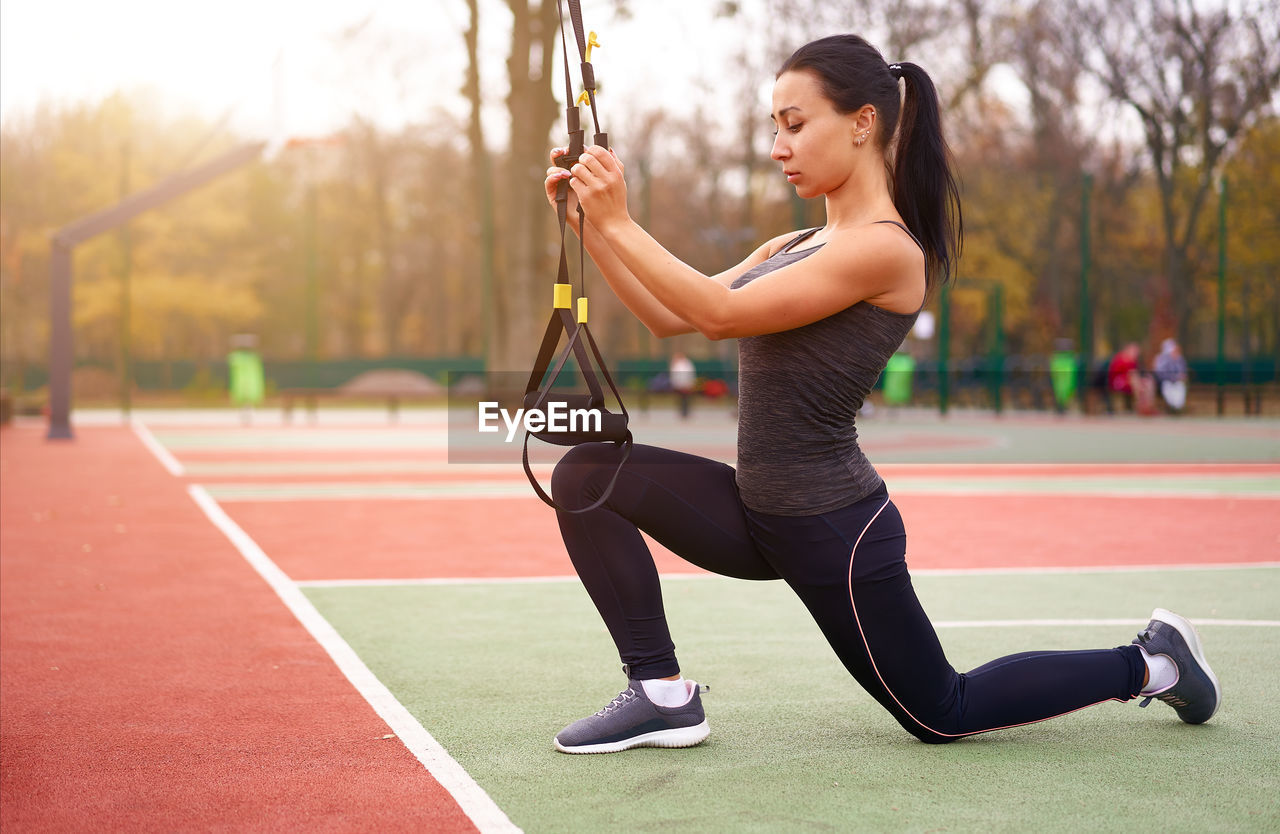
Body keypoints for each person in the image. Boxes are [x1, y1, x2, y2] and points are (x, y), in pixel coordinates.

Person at [541, 34, 1219, 753]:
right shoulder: (789, 246)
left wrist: (617, 219)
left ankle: (1155, 662)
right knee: (586, 474)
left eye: (795, 124)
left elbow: (717, 313)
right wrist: (590, 224)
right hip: (756, 510)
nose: (778, 146)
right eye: (774, 126)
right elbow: (670, 314)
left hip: (835, 529)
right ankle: (660, 694)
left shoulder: (886, 250)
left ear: (863, 122)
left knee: (943, 711)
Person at [1153, 337, 1188, 413]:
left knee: (1180, 387)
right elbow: (1160, 374)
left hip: (1178, 382)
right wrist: (1173, 377)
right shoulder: (1162, 359)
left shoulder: (1180, 359)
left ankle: (1178, 408)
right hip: (1165, 382)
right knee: (1168, 387)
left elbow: (1184, 372)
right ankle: (1172, 408)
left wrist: (1181, 377)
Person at [669, 351, 697, 419]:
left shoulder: (687, 363)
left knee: (686, 399)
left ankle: (686, 412)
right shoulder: (676, 363)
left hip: (686, 384)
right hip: (679, 384)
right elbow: (674, 375)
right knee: (681, 399)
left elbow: (690, 373)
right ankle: (682, 412)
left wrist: (689, 383)